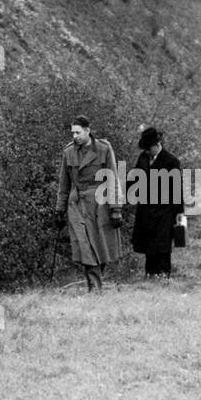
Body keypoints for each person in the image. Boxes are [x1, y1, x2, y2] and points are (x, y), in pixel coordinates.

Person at [57, 116, 123, 292]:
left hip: (99, 203)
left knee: (99, 246)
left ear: (88, 131)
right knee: (83, 244)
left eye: (78, 132)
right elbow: (64, 183)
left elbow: (113, 178)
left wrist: (116, 208)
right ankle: (94, 287)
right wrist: (60, 208)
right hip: (76, 204)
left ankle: (96, 284)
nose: (75, 136)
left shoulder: (103, 148)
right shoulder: (69, 152)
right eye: (73, 132)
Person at [128, 126, 184, 279]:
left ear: (157, 145)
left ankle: (164, 275)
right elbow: (134, 180)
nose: (146, 151)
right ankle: (150, 275)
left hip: (165, 211)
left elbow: (177, 190)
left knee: (163, 245)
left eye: (148, 148)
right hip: (146, 209)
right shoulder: (143, 158)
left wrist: (179, 214)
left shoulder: (171, 161)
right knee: (148, 244)